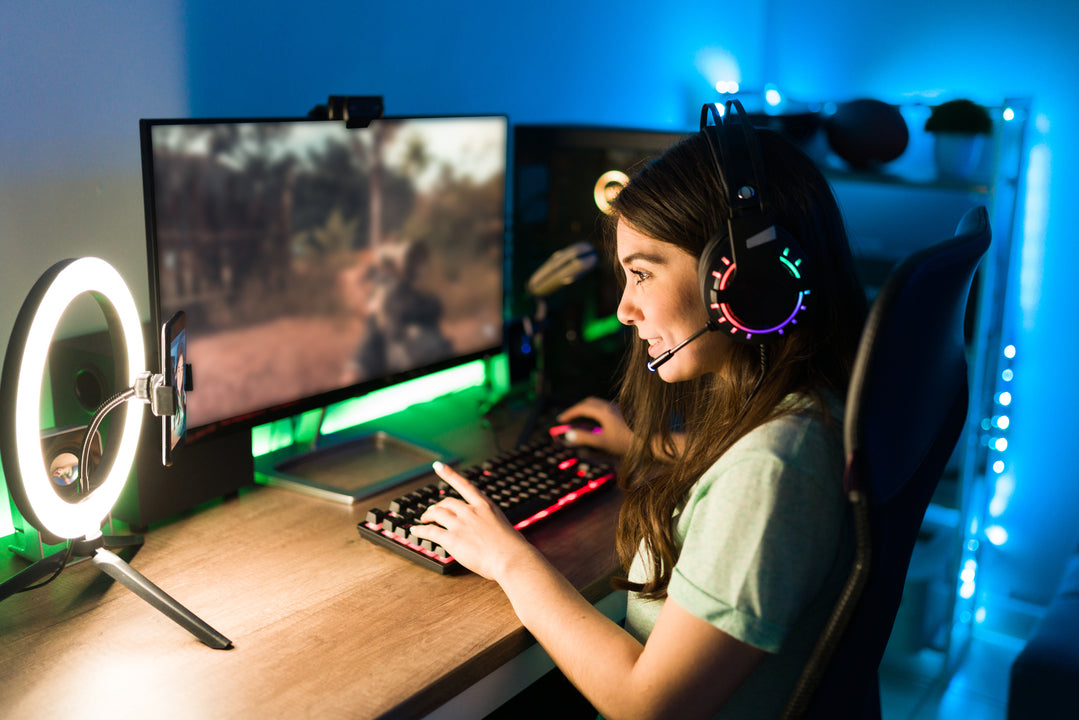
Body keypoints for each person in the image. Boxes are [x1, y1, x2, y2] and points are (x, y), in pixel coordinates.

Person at [410, 114, 868, 719]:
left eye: (642, 274)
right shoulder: (799, 414)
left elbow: (645, 706)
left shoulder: (774, 468)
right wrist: (647, 444)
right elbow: (732, 485)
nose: (625, 309)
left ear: (744, 284)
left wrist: (506, 557)